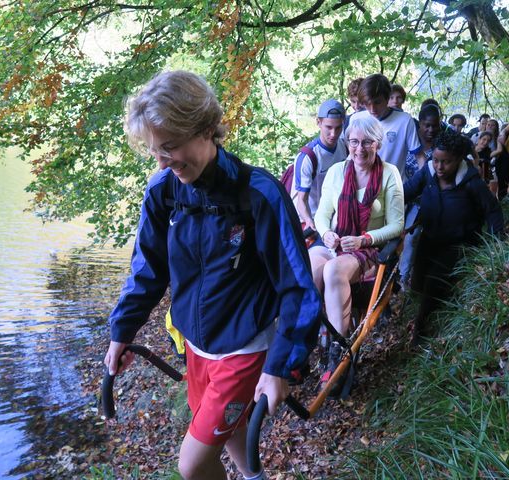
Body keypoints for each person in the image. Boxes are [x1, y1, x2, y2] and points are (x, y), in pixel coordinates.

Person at [104, 70, 321, 480]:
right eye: (154, 152)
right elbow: (147, 269)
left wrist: (282, 367)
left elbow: (297, 287)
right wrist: (122, 331)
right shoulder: (163, 192)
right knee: (230, 435)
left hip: (245, 350)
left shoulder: (258, 194)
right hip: (196, 347)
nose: (163, 162)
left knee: (193, 464)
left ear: (205, 128)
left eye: (170, 147)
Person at [310, 114, 404, 392]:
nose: (359, 149)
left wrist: (364, 239)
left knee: (333, 270)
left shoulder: (389, 174)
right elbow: (322, 215)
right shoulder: (338, 171)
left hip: (367, 247)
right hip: (335, 241)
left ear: (378, 143)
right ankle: (306, 342)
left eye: (366, 142)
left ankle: (338, 351)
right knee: (310, 269)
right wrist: (326, 232)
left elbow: (397, 225)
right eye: (353, 142)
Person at [404, 130, 504, 345]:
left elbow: (493, 210)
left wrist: (497, 244)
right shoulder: (428, 173)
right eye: (436, 160)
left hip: (458, 243)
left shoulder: (471, 182)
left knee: (432, 284)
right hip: (430, 238)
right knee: (417, 284)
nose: (440, 167)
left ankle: (420, 333)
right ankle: (428, 307)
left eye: (446, 162)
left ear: (458, 159)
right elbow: (406, 192)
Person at [399, 104, 442, 289]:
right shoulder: (409, 144)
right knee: (403, 239)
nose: (430, 130)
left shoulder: (441, 149)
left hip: (431, 202)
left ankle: (410, 280)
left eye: (434, 126)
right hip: (405, 199)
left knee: (415, 239)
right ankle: (399, 281)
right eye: (426, 125)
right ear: (420, 125)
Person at [290, 99, 347, 232]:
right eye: (328, 127)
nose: (333, 134)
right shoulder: (307, 157)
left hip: (332, 217)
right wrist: (310, 222)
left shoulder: (343, 147)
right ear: (318, 123)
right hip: (308, 219)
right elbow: (301, 200)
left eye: (338, 128)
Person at [353, 74, 424, 180]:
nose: (372, 109)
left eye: (377, 102)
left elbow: (420, 156)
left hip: (394, 188)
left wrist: (423, 184)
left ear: (387, 98)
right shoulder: (356, 119)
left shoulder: (404, 121)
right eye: (367, 103)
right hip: (363, 187)